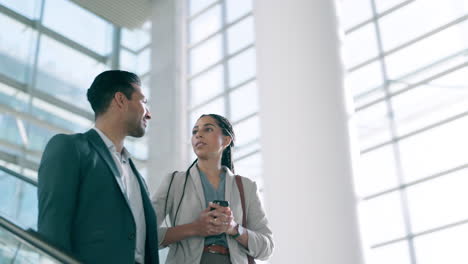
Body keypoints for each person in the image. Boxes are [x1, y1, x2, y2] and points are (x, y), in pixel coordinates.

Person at [37, 70, 159, 264]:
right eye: (144, 102)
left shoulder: (137, 176)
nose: (149, 114)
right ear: (120, 99)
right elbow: (53, 231)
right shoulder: (71, 148)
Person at [152, 114, 274, 264]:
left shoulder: (246, 187)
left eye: (208, 129)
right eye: (195, 131)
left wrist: (234, 228)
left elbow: (266, 248)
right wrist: (195, 228)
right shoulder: (174, 182)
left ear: (226, 140)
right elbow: (145, 234)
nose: (199, 135)